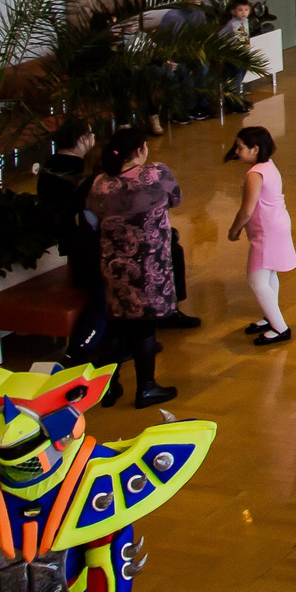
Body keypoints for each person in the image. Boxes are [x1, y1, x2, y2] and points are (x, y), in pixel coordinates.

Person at [88, 126, 183, 408]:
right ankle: (146, 388)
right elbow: (176, 198)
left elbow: (93, 214)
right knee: (144, 328)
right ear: (141, 149)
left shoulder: (101, 183)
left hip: (114, 265)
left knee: (116, 325)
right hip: (149, 265)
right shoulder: (155, 174)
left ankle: (106, 388)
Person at [223, 125, 296, 346]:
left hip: (267, 232)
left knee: (256, 279)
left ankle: (280, 327)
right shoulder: (268, 166)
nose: (236, 151)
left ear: (254, 149)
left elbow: (246, 210)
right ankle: (271, 316)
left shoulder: (255, 175)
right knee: (269, 273)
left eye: (240, 147)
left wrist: (233, 230)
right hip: (276, 226)